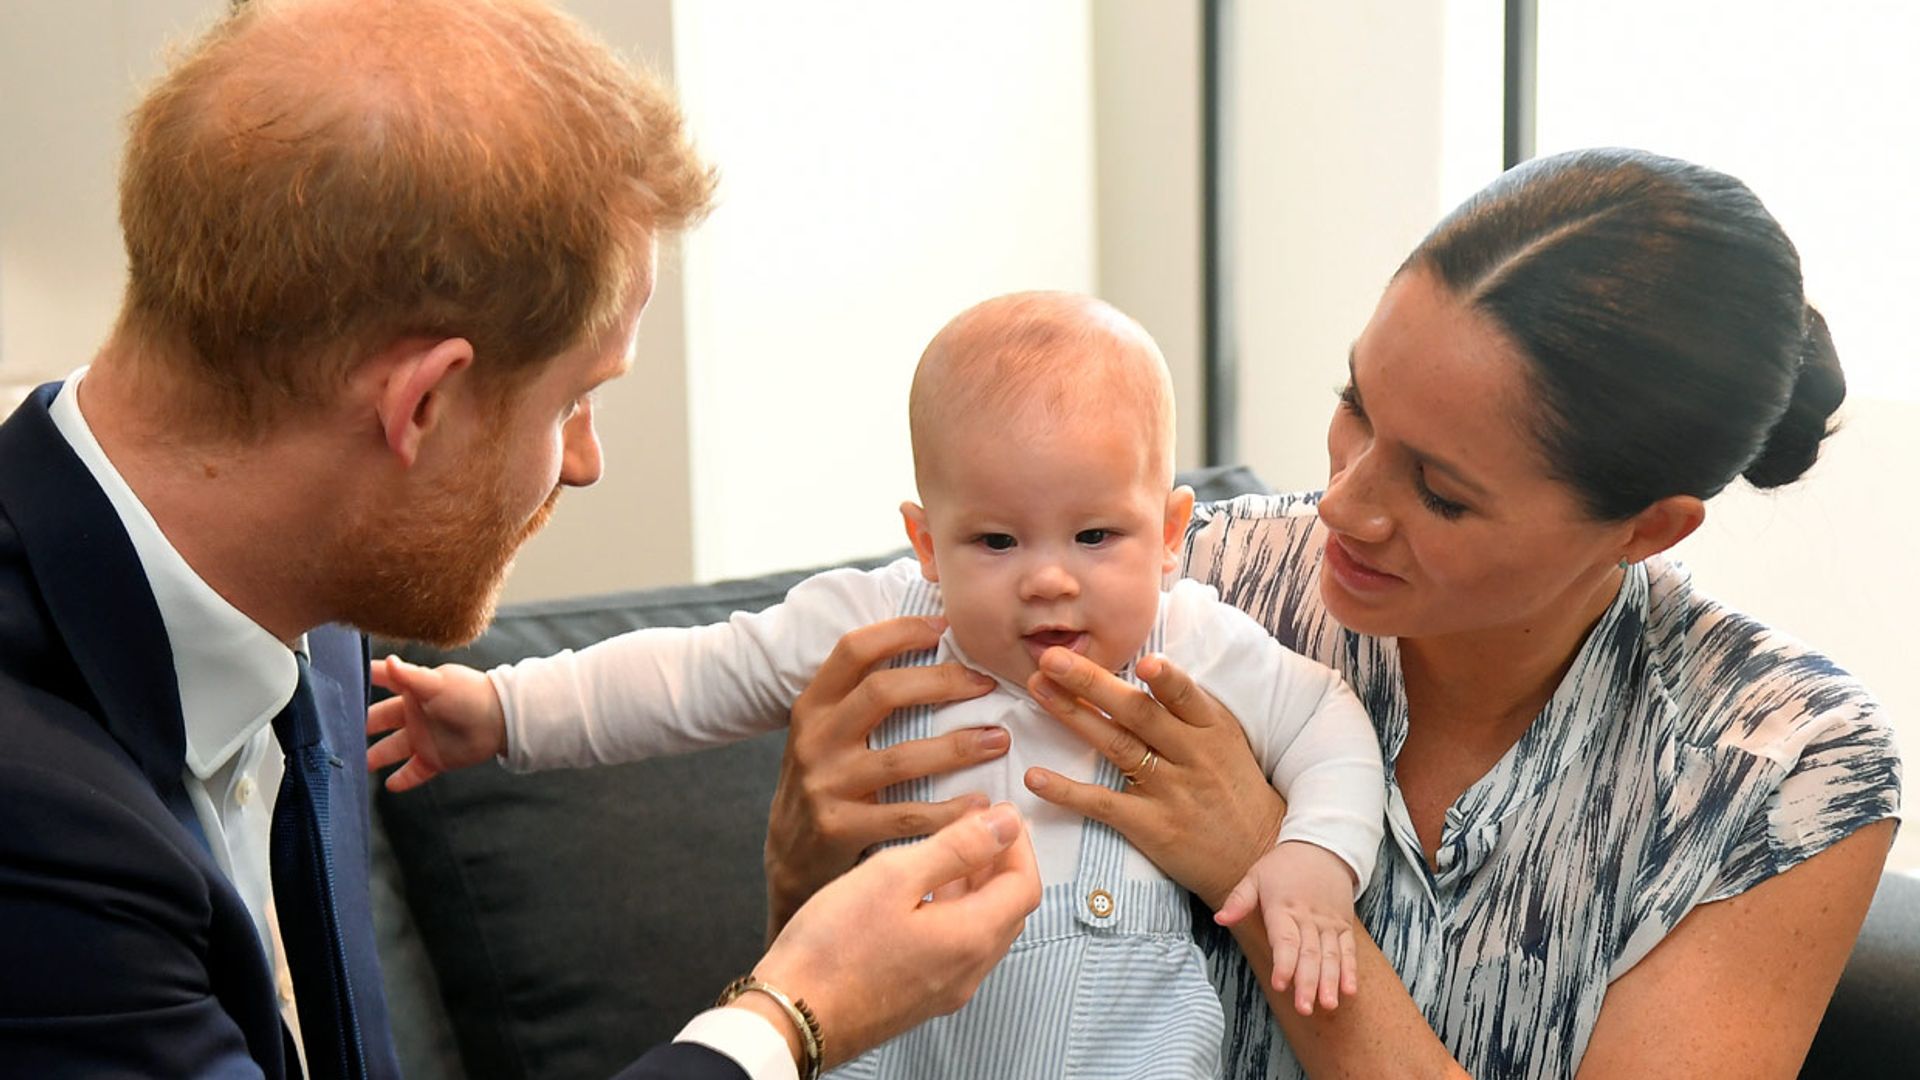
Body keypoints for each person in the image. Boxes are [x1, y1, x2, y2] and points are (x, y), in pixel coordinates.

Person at [0, 2, 1039, 1078]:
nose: (585, 462)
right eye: (574, 402)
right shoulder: (34, 823)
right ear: (425, 405)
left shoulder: (315, 599)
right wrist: (790, 1018)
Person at [757, 148, 1903, 1078]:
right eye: (1355, 405)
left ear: (1647, 529)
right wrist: (806, 861)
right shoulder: (1192, 581)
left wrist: (1263, 870)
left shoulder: (1780, 770)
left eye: (1440, 491)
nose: (1343, 505)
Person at [366, 291, 1387, 1075]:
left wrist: (1312, 862)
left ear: (1169, 535)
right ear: (925, 542)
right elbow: (691, 673)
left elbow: (1328, 727)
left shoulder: (1192, 642)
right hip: (909, 1043)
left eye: (1096, 534)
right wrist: (503, 712)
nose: (1047, 577)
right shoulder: (884, 621)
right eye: (993, 539)